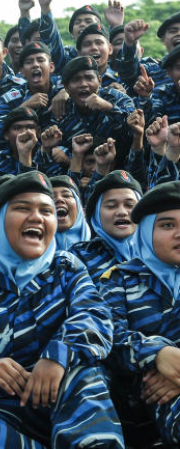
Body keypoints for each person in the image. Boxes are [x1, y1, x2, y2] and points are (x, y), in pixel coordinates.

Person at [0, 172, 123, 448]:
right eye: (22, 208)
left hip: (64, 397)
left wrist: (58, 356)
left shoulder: (66, 268)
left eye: (46, 211)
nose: (37, 218)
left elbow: (95, 316)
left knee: (85, 375)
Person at [99, 181, 180, 445]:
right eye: (167, 225)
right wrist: (158, 353)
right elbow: (109, 338)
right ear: (145, 232)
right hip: (148, 404)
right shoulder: (119, 279)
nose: (179, 233)